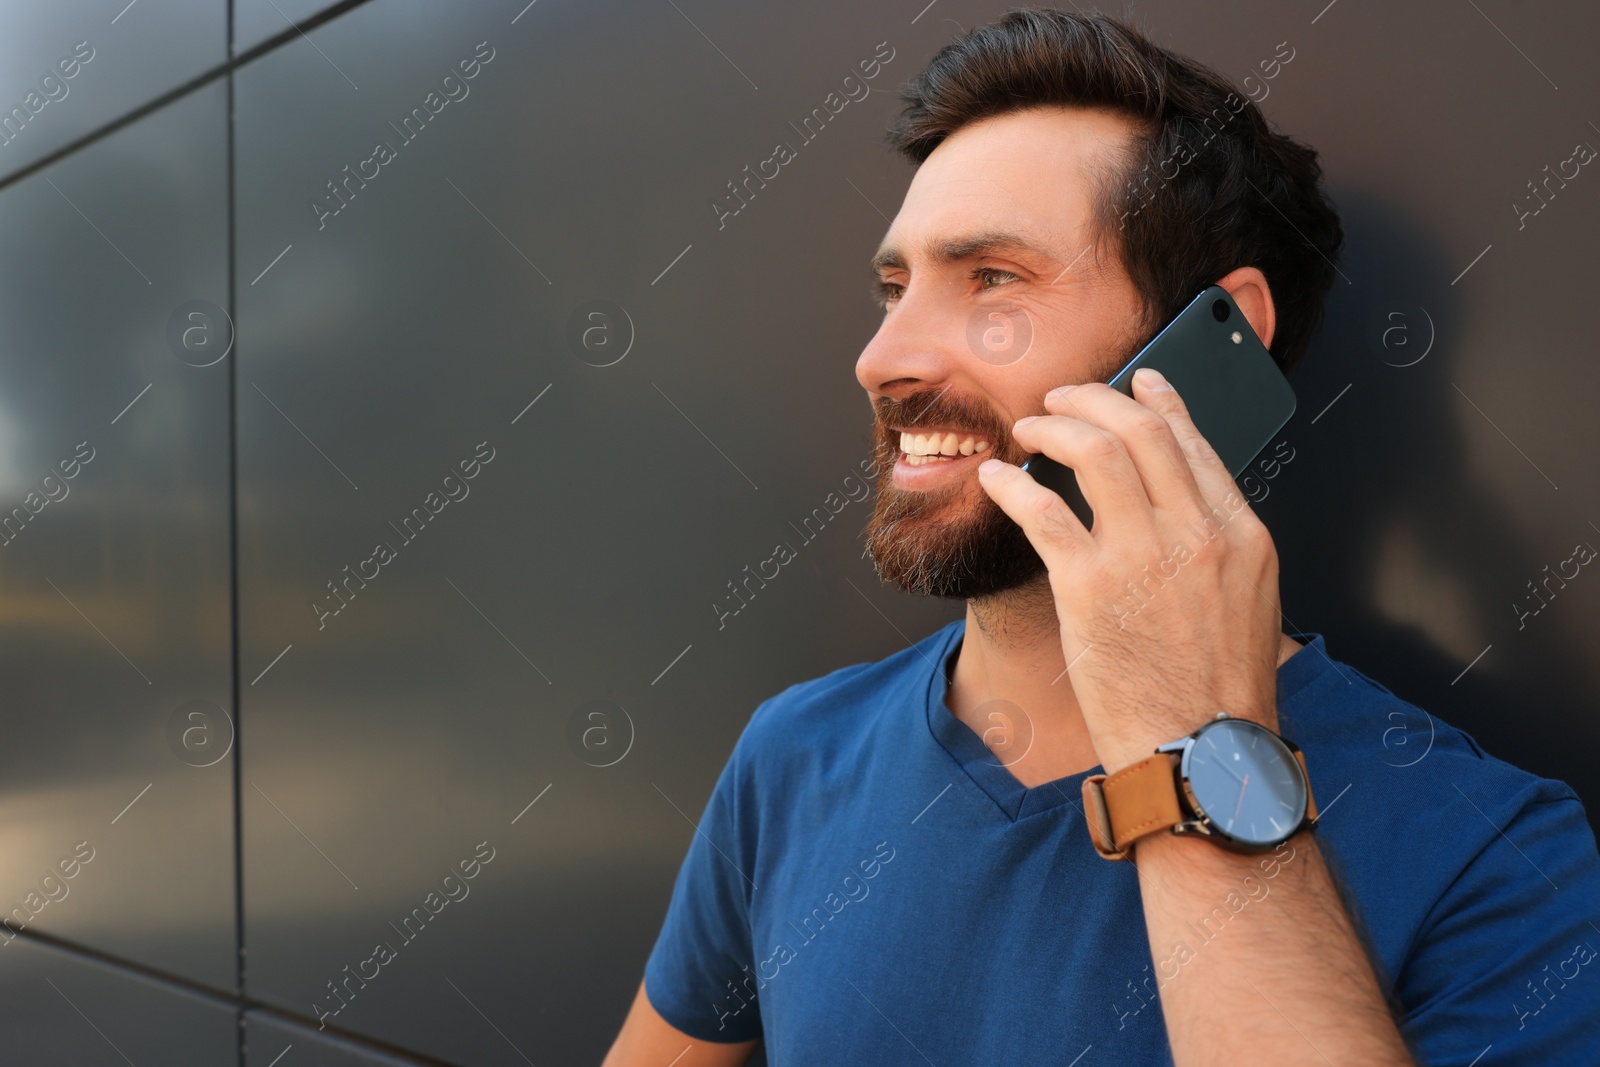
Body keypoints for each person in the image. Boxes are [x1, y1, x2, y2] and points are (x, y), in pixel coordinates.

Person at [604, 9, 1600, 1065]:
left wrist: (1194, 745)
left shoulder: (1492, 857)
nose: (879, 357)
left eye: (991, 278)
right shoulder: (794, 756)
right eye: (894, 289)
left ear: (1214, 339)